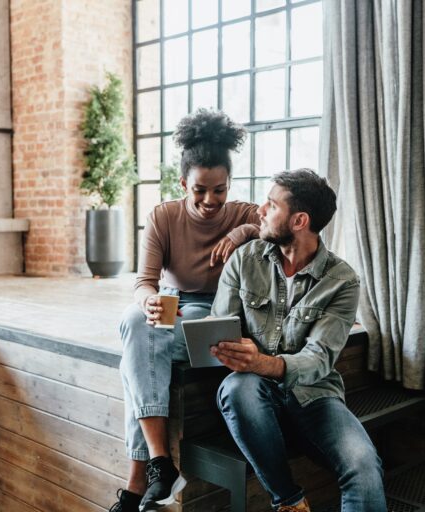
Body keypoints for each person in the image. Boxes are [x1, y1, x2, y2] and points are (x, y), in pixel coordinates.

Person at [210, 169, 387, 512]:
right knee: (236, 388)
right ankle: (289, 502)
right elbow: (220, 327)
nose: (260, 210)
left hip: (314, 395)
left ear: (299, 220)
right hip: (254, 392)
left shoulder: (342, 281)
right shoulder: (244, 259)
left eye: (271, 205)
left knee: (364, 465)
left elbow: (319, 359)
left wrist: (262, 361)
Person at [113, 109, 260, 512]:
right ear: (183, 183)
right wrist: (148, 299)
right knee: (133, 322)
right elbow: (144, 280)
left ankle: (137, 479)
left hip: (215, 312)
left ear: (229, 185)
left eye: (219, 190)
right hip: (173, 304)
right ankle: (162, 461)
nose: (210, 200)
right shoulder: (163, 216)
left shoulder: (244, 213)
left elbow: (272, 228)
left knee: (137, 359)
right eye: (200, 190)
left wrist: (241, 231)